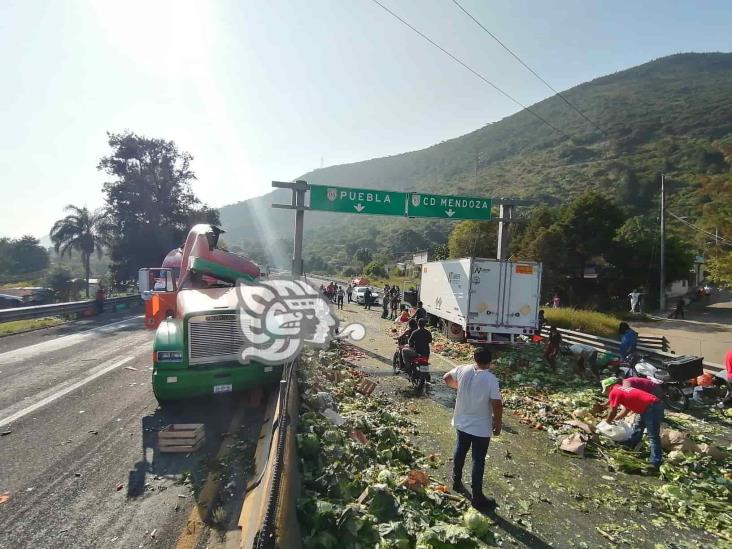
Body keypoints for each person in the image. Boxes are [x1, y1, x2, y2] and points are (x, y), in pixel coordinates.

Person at [443, 347, 502, 510]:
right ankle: (477, 497)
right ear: (489, 362)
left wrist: (460, 388)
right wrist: (498, 423)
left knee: (460, 449)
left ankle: (456, 480)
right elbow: (497, 404)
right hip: (480, 427)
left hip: (462, 421)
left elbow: (446, 378)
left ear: (474, 358)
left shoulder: (463, 369)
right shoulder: (491, 379)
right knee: (478, 460)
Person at [602, 377, 664, 472]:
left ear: (609, 387)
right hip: (649, 405)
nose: (605, 392)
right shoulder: (621, 389)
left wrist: (607, 422)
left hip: (652, 406)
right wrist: (613, 419)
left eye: (605, 390)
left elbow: (612, 410)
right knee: (638, 425)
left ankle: (655, 462)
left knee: (653, 435)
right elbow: (624, 408)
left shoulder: (614, 391)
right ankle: (631, 443)